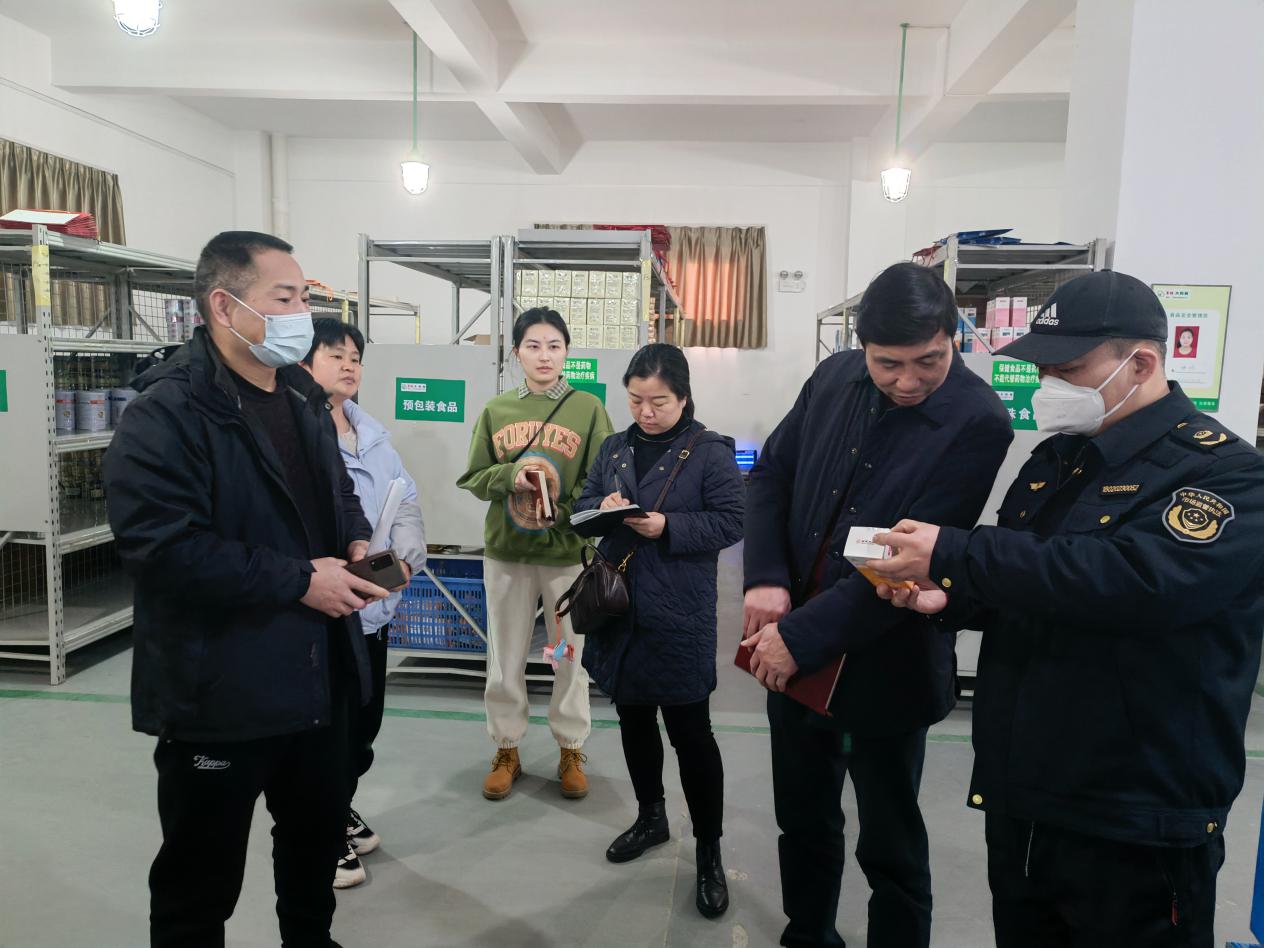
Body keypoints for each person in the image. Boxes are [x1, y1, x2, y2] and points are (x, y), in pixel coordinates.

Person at [869, 269, 1264, 947]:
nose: (1049, 384)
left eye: (1069, 369)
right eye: (1043, 369)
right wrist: (948, 597)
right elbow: (1034, 582)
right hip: (1028, 794)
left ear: (1141, 364)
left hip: (1136, 812)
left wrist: (956, 553)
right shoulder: (1059, 459)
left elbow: (1137, 582)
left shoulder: (1223, 474)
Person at [103, 231, 389, 948]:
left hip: (319, 678)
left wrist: (356, 539)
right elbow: (163, 548)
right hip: (221, 689)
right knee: (199, 882)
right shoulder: (165, 413)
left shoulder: (299, 394)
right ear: (224, 306)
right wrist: (301, 580)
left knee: (312, 851)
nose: (301, 315)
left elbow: (335, 491)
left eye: (304, 298)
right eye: (284, 299)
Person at [741, 261, 1014, 948]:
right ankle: (809, 934)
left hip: (884, 659)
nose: (908, 381)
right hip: (793, 653)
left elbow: (908, 565)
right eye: (888, 363)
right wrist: (765, 578)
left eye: (929, 360)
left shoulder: (978, 421)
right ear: (861, 346)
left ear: (954, 337)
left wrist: (800, 637)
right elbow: (771, 474)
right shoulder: (833, 379)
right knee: (802, 819)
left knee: (890, 840)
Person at [575, 344, 745, 919]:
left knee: (692, 734)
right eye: (636, 400)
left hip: (678, 612)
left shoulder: (709, 452)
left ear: (684, 397)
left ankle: (709, 851)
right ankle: (651, 817)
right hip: (619, 611)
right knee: (633, 719)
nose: (646, 413)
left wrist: (667, 525)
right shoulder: (614, 447)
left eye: (659, 402)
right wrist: (603, 506)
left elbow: (731, 521)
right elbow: (582, 506)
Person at [457, 307, 614, 801]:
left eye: (554, 346)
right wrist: (511, 477)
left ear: (566, 352)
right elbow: (474, 476)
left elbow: (603, 477)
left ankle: (571, 747)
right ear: (516, 352)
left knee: (568, 655)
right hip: (508, 553)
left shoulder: (588, 409)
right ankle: (506, 747)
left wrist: (564, 508)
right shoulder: (497, 410)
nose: (544, 356)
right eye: (533, 346)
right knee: (505, 655)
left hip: (567, 556)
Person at [300, 317, 428, 889]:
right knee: (326, 733)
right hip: (325, 615)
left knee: (362, 727)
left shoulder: (372, 435)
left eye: (355, 356)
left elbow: (406, 499)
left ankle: (338, 806)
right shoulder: (297, 435)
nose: (349, 364)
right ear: (303, 363)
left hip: (374, 610)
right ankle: (320, 835)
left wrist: (406, 556)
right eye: (335, 355)